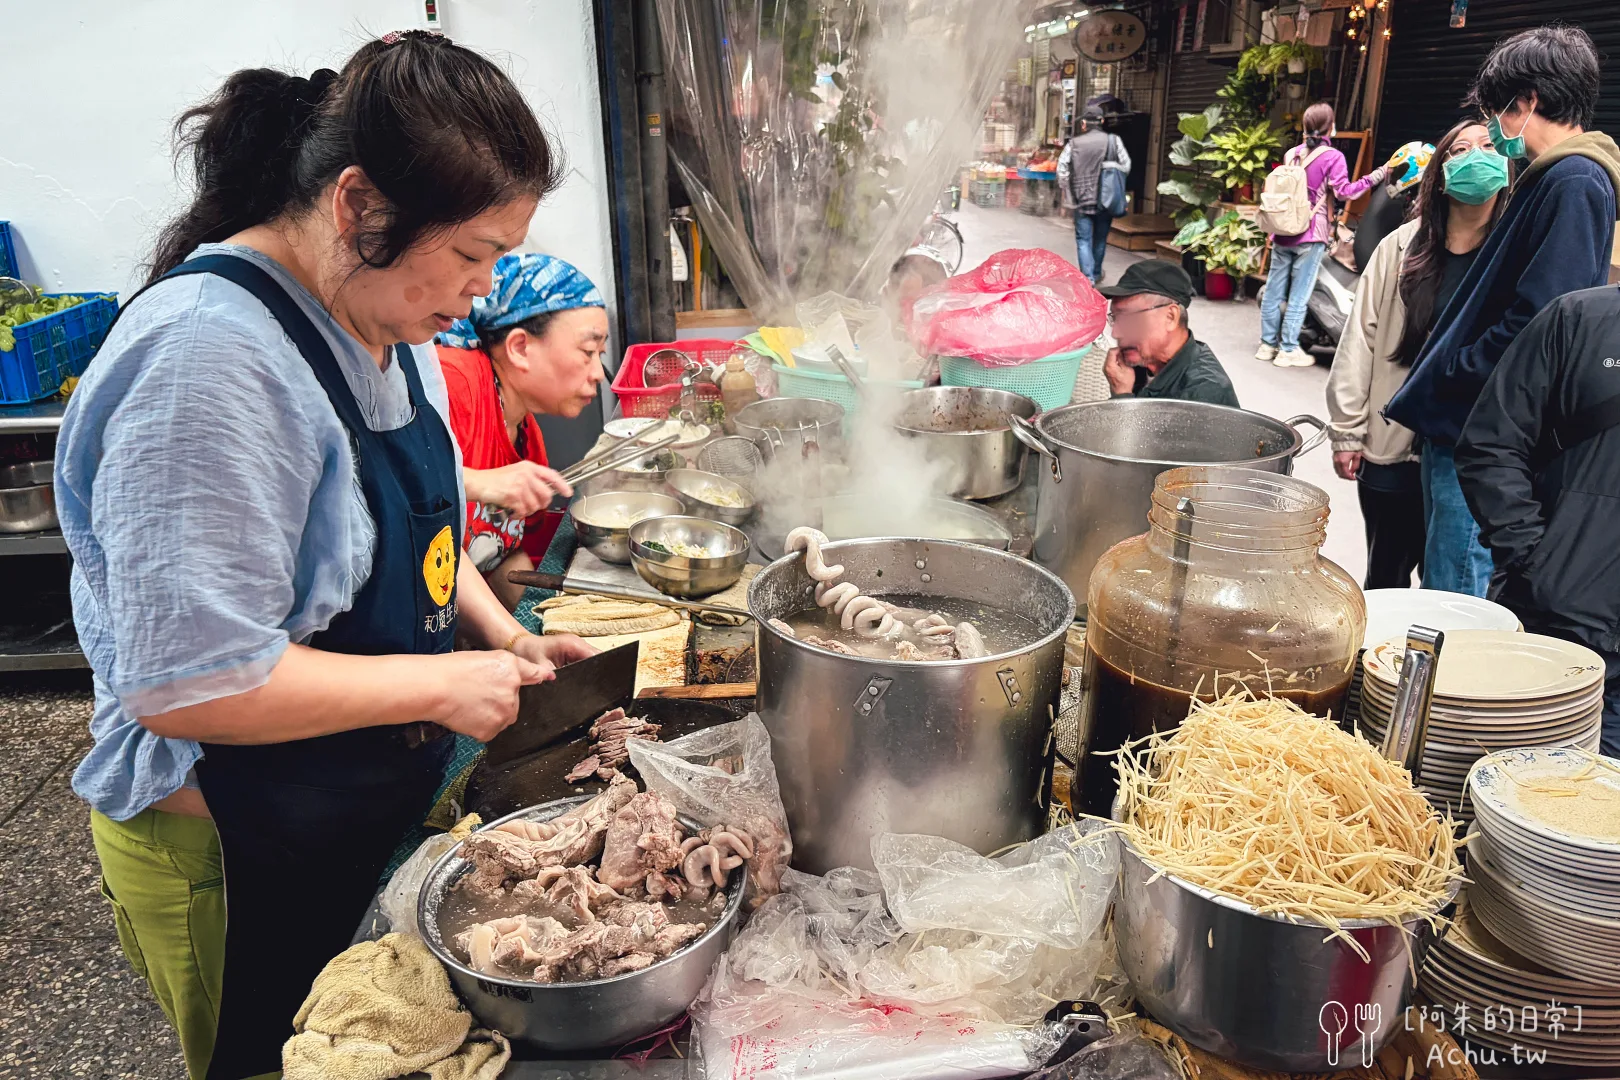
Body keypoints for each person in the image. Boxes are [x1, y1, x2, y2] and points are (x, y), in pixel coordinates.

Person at [54, 33, 595, 1080]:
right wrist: (441, 683)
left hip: (350, 812)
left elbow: (426, 544)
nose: (482, 293)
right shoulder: (209, 366)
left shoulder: (392, 330)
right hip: (231, 849)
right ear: (359, 207)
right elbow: (187, 683)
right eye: (474, 252)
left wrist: (507, 639)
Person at [1385, 25, 1620, 597]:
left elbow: (1542, 320)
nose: (1492, 129)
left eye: (1494, 113)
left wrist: (1459, 370)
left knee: (1457, 590)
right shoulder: (1558, 176)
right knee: (1449, 572)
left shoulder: (1575, 180)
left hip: (1482, 422)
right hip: (1473, 416)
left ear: (1529, 101)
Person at [1327, 121, 1507, 590]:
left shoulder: (1513, 251)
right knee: (1386, 574)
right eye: (1460, 150)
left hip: (1463, 450)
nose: (1476, 157)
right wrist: (1347, 430)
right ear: (1439, 172)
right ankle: (1377, 661)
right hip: (1393, 446)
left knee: (1452, 581)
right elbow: (1359, 338)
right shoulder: (1402, 246)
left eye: (1488, 147)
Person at [1455, 286, 1620, 756]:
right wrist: (1533, 558)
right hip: (1557, 628)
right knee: (1512, 787)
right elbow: (1491, 443)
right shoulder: (1579, 318)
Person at [435, 254, 610, 610]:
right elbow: (386, 484)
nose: (598, 373)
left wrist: (536, 627)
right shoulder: (453, 382)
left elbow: (501, 555)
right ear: (519, 348)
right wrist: (478, 483)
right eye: (588, 351)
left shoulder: (526, 434)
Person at [1257, 102, 1391, 368]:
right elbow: (1345, 193)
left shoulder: (1291, 154)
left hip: (1282, 230)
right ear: (1330, 127)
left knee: (1274, 289)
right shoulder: (1333, 157)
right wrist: (1377, 175)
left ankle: (1266, 344)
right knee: (1299, 293)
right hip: (1311, 232)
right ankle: (1288, 349)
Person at [1098, 261, 1238, 407]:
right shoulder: (1143, 363)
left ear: (1170, 317)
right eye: (1115, 318)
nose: (1116, 333)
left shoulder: (1204, 394)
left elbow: (1140, 430)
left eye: (1129, 318)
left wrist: (1122, 397)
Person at [1057, 105, 1131, 283]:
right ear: (1102, 121)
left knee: (1083, 239)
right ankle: (1096, 273)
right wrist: (1109, 171)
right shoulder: (1114, 141)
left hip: (1080, 199)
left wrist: (1067, 188)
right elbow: (1126, 166)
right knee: (1100, 238)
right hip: (1106, 199)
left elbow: (1062, 169)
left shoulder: (1073, 144)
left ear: (1083, 124)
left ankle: (1087, 278)